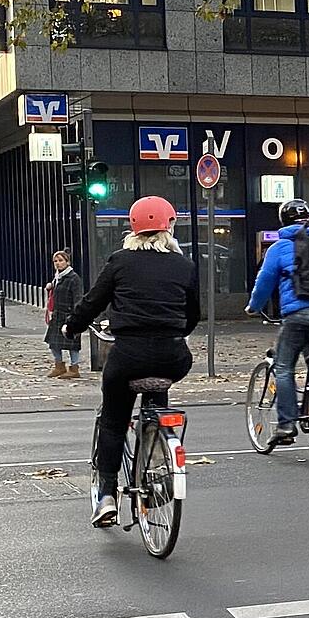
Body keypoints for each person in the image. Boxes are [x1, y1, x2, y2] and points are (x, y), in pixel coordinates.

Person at [65, 196, 199, 526]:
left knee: (113, 420)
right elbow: (193, 315)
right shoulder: (185, 265)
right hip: (173, 357)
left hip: (128, 357)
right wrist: (173, 332)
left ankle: (107, 496)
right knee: (157, 397)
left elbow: (93, 301)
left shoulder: (120, 261)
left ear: (132, 228)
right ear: (170, 227)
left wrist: (73, 326)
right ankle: (155, 458)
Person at [245, 200, 309, 446]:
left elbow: (264, 283)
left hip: (298, 315)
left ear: (283, 221)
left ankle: (286, 424)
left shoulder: (279, 248)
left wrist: (253, 307)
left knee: (283, 366)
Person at [44, 250, 86, 378]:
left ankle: (74, 368)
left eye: (61, 260)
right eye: (55, 261)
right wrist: (51, 286)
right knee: (53, 342)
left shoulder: (73, 278)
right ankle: (59, 366)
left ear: (67, 262)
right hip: (57, 314)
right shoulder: (58, 277)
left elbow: (78, 297)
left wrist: (76, 316)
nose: (58, 263)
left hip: (68, 314)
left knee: (72, 344)